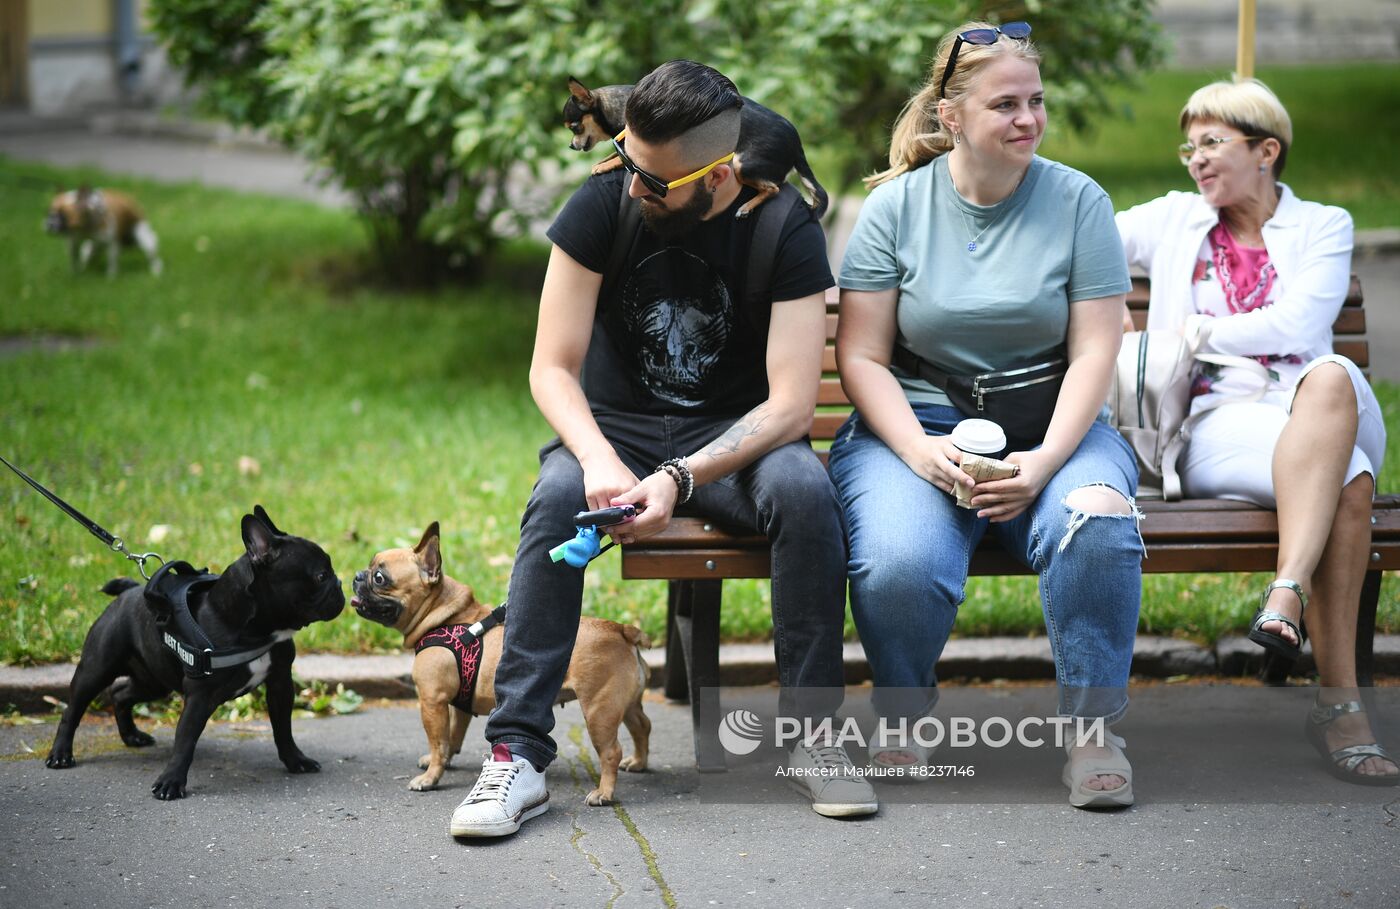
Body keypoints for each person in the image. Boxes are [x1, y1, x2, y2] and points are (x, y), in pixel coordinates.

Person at [448, 60, 878, 839]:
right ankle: (516, 753)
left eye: (659, 182)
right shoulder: (601, 203)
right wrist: (602, 459)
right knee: (554, 500)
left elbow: (789, 405)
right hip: (615, 432)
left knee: (807, 493)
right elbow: (551, 367)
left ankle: (817, 736)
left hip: (735, 442)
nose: (633, 188)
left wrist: (682, 475)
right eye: (630, 166)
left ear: (722, 175)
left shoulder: (782, 226)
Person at [827, 21, 1143, 810]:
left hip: (1052, 430)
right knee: (898, 560)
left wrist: (1041, 464)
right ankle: (904, 711)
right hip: (919, 428)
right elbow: (861, 355)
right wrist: (918, 452)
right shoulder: (896, 208)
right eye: (1006, 103)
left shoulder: (1079, 201)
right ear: (952, 116)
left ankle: (1093, 731)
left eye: (1035, 101)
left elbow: (1097, 352)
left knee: (1098, 520)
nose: (1028, 118)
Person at [1116, 78, 1397, 786]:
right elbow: (1080, 241)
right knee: (1353, 478)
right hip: (1218, 424)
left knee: (1329, 375)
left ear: (1267, 150)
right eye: (1189, 147)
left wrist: (1198, 330)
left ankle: (1286, 591)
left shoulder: (1323, 225)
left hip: (1315, 401)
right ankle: (1339, 704)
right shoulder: (1174, 220)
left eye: (1212, 143)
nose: (1195, 160)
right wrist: (1106, 314)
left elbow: (1301, 326)